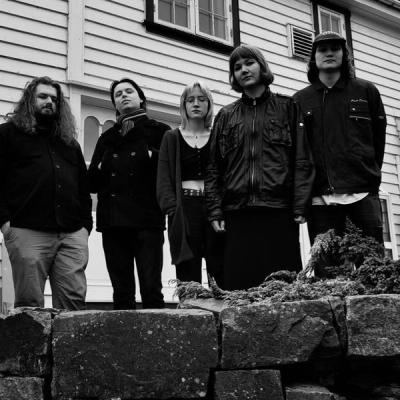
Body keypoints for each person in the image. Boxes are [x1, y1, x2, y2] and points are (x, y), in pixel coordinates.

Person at [205, 45, 314, 291]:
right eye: (237, 67)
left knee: (281, 289)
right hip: (237, 214)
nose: (243, 70)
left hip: (278, 212)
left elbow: (302, 158)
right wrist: (215, 211)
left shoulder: (288, 107)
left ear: (262, 66)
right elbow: (213, 168)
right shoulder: (226, 115)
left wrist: (300, 204)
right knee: (239, 290)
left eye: (249, 63)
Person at [0, 76, 92, 310]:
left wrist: (85, 227)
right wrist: (5, 222)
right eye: (43, 96)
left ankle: (67, 338)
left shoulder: (69, 143)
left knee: (73, 304)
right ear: (29, 100)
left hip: (71, 234)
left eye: (54, 99)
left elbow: (83, 188)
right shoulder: (7, 134)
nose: (49, 101)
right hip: (27, 230)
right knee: (30, 305)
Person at [293, 31, 386, 245]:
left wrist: (369, 177)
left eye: (335, 49)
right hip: (321, 202)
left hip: (363, 197)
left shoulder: (366, 91)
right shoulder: (300, 100)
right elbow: (299, 151)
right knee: (327, 266)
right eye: (323, 50)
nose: (329, 53)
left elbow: (378, 140)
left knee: (371, 262)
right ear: (314, 57)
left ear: (344, 55)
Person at [88, 78, 170, 310]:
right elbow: (92, 182)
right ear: (114, 104)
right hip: (113, 221)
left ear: (141, 98)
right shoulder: (107, 138)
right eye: (118, 94)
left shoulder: (160, 131)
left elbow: (169, 173)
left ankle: (157, 332)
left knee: (151, 288)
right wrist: (102, 166)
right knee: (121, 292)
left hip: (147, 219)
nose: (123, 95)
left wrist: (150, 155)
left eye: (129, 91)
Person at [157, 81, 224, 286]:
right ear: (183, 105)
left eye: (201, 99)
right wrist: (172, 210)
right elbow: (163, 179)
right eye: (190, 100)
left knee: (220, 269)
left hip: (215, 209)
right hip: (184, 210)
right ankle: (190, 307)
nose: (196, 104)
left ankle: (221, 305)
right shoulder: (171, 137)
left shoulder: (218, 136)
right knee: (187, 274)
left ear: (209, 104)